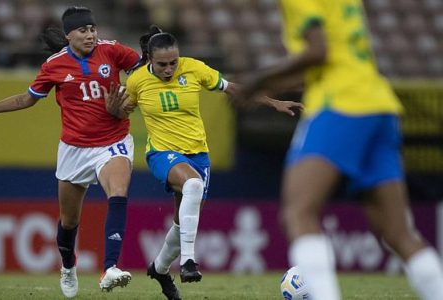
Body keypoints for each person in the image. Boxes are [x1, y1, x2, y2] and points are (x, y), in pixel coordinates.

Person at [241, 1, 443, 299]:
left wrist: (258, 79)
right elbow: (332, 59)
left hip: (341, 104)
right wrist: (271, 87)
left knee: (299, 212)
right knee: (399, 234)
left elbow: (317, 51)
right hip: (380, 104)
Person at [105, 25, 303, 300]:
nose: (169, 68)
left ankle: (160, 269)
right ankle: (188, 262)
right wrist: (113, 110)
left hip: (198, 154)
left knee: (181, 222)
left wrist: (273, 102)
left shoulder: (194, 69)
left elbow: (233, 89)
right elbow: (121, 112)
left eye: (173, 62)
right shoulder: (137, 81)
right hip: (162, 153)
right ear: (150, 59)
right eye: (162, 64)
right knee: (193, 185)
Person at [0, 6, 141, 298]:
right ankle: (68, 265)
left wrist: (128, 102)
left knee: (118, 192)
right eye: (83, 30)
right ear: (69, 34)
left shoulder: (113, 51)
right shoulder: (54, 65)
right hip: (74, 148)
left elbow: (143, 74)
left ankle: (110, 268)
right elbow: (26, 98)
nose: (91, 35)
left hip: (112, 141)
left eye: (93, 29)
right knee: (69, 221)